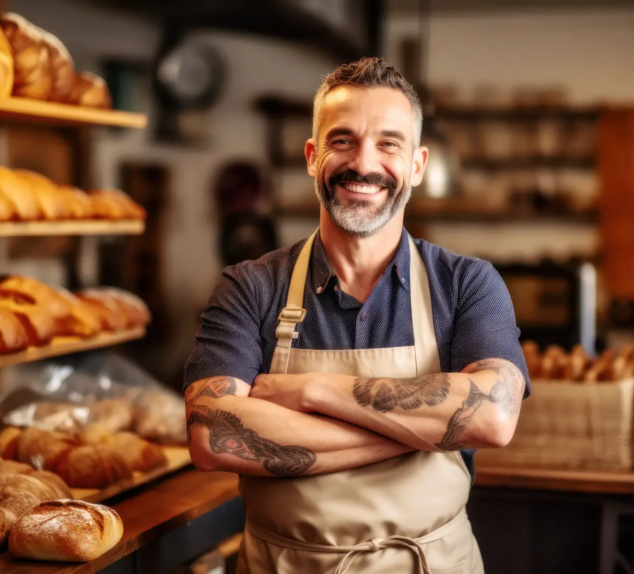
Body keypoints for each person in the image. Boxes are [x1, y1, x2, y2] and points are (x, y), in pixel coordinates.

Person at [183, 57, 530, 574]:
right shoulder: (251, 286)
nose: (363, 163)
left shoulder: (465, 284)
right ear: (311, 155)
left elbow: (494, 416)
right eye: (342, 140)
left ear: (417, 164)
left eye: (389, 143)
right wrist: (423, 432)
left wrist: (312, 393)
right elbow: (213, 435)